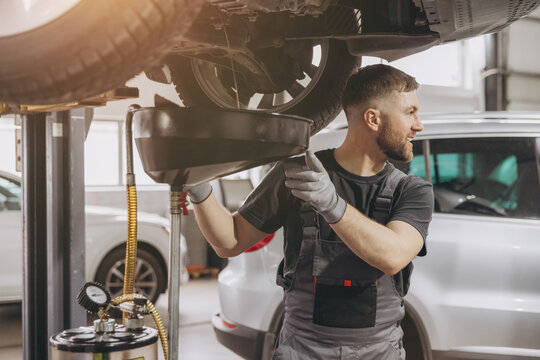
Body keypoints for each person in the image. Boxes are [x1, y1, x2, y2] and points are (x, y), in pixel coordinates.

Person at [185, 64, 434, 359]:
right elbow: (229, 241)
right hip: (301, 350)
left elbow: (392, 257)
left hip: (378, 353)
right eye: (410, 112)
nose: (418, 125)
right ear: (373, 118)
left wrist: (332, 205)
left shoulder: (412, 190)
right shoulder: (298, 176)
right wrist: (199, 189)